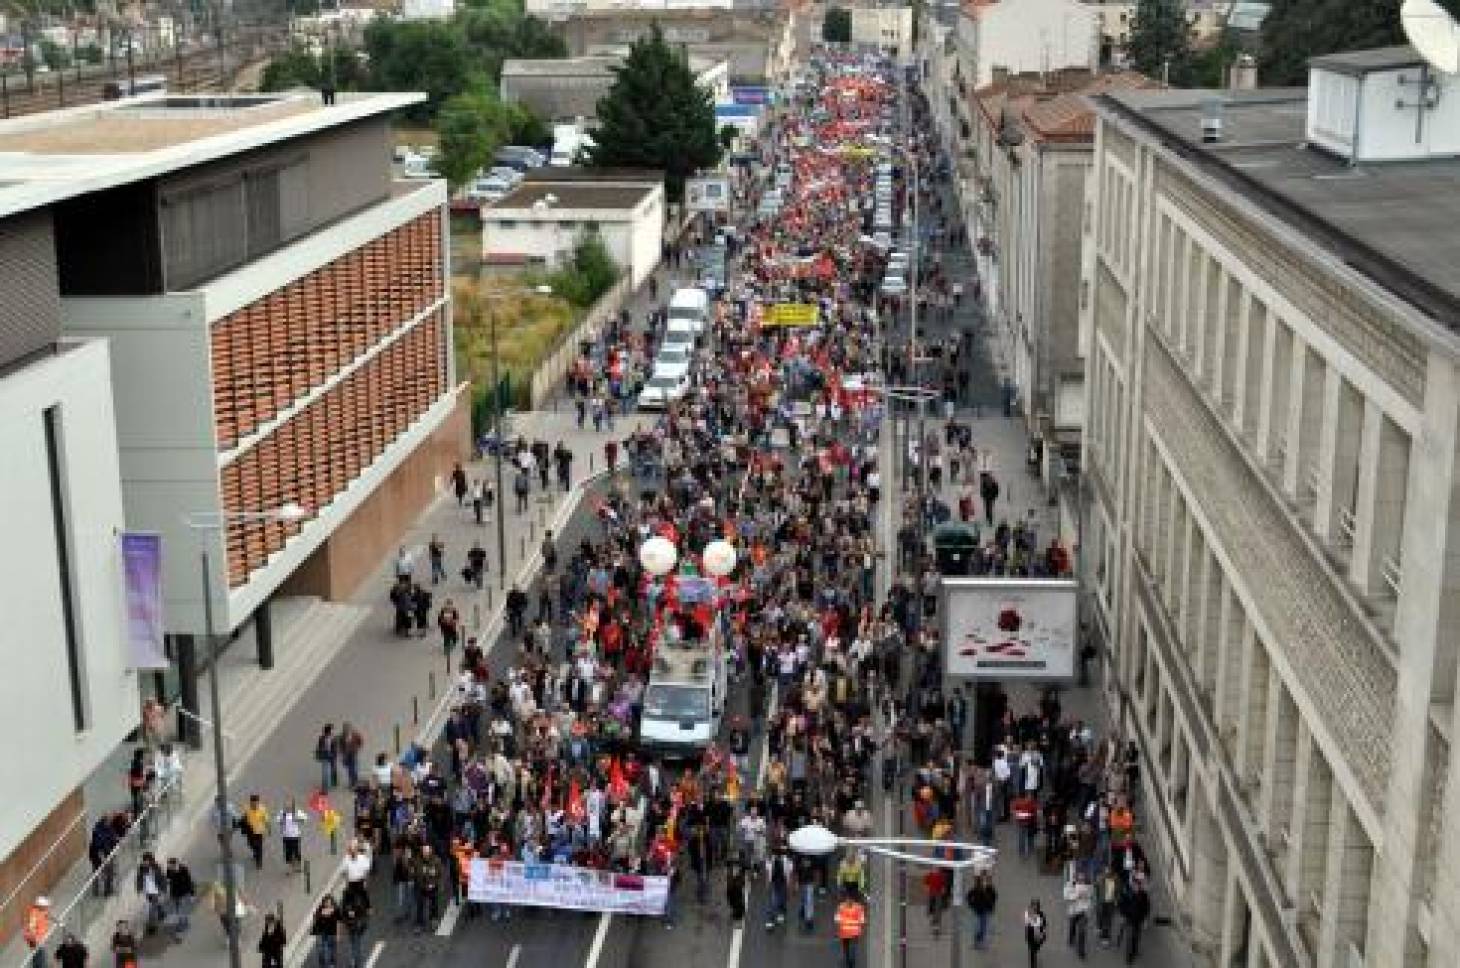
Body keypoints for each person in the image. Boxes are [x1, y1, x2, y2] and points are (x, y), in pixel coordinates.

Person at [1120, 878, 1151, 963]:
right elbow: (1122, 904)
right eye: (1134, 885)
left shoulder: (1144, 895)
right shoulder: (1127, 894)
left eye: (1137, 886)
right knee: (1130, 937)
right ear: (1132, 886)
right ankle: (1128, 957)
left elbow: (1147, 908)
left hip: (1139, 920)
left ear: (1140, 886)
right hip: (1129, 919)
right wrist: (1123, 915)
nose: (1135, 887)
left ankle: (1135, 950)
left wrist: (1145, 920)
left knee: (1136, 937)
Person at [165, 857, 196, 941]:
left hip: (184, 894)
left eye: (171, 866)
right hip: (175, 895)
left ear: (176, 864)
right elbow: (168, 880)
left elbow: (189, 882)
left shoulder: (184, 870)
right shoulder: (169, 871)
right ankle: (185, 923)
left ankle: (182, 927)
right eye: (169, 866)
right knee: (179, 910)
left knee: (181, 911)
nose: (170, 867)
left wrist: (192, 895)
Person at [834, 890, 867, 968]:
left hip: (844, 932)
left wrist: (842, 923)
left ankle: (848, 959)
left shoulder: (841, 907)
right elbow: (862, 920)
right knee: (853, 947)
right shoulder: (859, 907)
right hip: (855, 932)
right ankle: (851, 962)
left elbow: (837, 919)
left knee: (846, 947)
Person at [1064, 869, 1092, 958]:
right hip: (1073, 911)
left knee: (1082, 931)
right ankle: (1071, 939)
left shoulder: (1088, 886)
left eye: (1082, 878)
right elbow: (1066, 897)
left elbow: (1090, 897)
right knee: (1072, 926)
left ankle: (1081, 951)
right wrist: (1077, 895)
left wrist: (1086, 895)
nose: (1081, 879)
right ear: (1075, 877)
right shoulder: (1070, 885)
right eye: (1079, 877)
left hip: (1083, 912)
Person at [966, 871, 997, 949]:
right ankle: (978, 942)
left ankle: (980, 942)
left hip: (984, 910)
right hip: (979, 910)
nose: (984, 881)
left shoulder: (988, 888)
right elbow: (969, 897)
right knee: (979, 926)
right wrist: (971, 904)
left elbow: (994, 896)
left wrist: (991, 904)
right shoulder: (977, 889)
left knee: (983, 926)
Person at [277, 800, 308, 873]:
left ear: (292, 806)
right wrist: (282, 821)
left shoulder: (296, 812)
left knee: (296, 851)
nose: (287, 808)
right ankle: (290, 867)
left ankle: (298, 866)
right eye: (286, 806)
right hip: (286, 836)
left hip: (295, 836)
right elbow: (278, 820)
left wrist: (298, 819)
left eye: (289, 806)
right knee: (288, 852)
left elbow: (305, 818)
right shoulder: (282, 813)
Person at [311, 895, 340, 968]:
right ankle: (322, 964)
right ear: (324, 903)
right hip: (322, 933)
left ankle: (332, 963)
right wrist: (321, 914)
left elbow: (338, 922)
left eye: (329, 902)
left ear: (332, 903)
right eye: (326, 902)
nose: (327, 904)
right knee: (322, 949)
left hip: (332, 933)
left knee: (332, 949)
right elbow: (315, 919)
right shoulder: (320, 910)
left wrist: (338, 934)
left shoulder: (336, 910)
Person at [241, 794, 270, 869]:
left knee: (259, 846)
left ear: (258, 802)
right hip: (250, 831)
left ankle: (259, 862)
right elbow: (244, 818)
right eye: (253, 803)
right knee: (251, 844)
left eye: (256, 803)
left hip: (259, 831)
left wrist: (268, 829)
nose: (254, 805)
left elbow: (266, 820)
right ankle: (255, 853)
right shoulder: (247, 809)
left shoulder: (262, 809)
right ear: (250, 802)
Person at [23, 896, 51, 968]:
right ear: (40, 906)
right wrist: (35, 938)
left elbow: (47, 919)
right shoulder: (34, 914)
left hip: (39, 938)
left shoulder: (43, 912)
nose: (46, 907)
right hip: (35, 938)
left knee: (37, 955)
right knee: (40, 956)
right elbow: (31, 927)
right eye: (45, 906)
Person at [1024, 899, 1048, 968]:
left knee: (1035, 948)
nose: (1035, 907)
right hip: (1031, 934)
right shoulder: (1028, 913)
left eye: (1036, 905)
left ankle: (1035, 951)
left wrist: (1043, 933)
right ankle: (1033, 965)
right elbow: (1027, 924)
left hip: (1039, 934)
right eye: (1033, 905)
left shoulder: (1041, 914)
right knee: (1032, 950)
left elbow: (1044, 925)